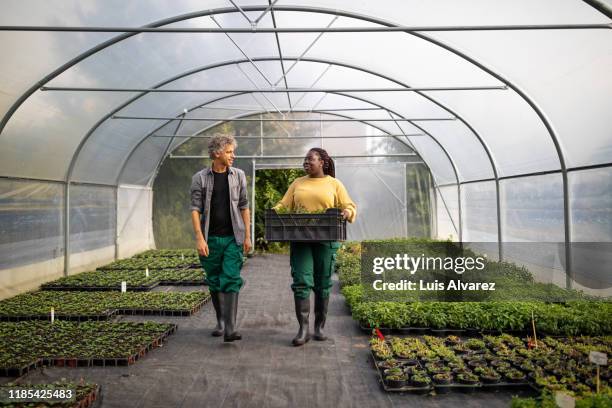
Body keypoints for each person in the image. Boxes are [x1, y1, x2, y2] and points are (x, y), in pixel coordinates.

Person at [274, 148, 356, 346]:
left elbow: (350, 206)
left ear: (322, 163)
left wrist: (346, 212)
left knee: (323, 283)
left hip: (326, 240)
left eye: (311, 159)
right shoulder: (297, 183)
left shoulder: (334, 184)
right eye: (305, 159)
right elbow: (283, 205)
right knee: (301, 281)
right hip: (300, 239)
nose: (306, 162)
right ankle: (303, 329)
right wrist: (274, 211)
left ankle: (319, 327)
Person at [190, 134, 252, 342]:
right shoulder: (200, 178)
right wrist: (199, 238)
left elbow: (244, 206)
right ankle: (221, 321)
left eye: (233, 151)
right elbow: (195, 209)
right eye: (229, 152)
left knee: (231, 278)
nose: (233, 155)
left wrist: (247, 236)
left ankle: (231, 329)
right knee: (215, 280)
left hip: (233, 237)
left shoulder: (239, 175)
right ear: (217, 153)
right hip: (211, 238)